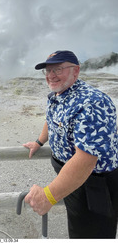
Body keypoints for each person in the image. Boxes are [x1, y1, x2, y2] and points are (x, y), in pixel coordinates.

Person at [23, 50, 118, 239]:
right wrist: (39, 142)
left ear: (76, 71)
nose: (51, 75)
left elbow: (86, 160)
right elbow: (51, 120)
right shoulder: (58, 95)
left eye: (58, 69)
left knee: (91, 234)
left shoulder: (92, 102)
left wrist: (48, 196)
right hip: (72, 179)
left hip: (94, 185)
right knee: (77, 228)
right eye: (48, 70)